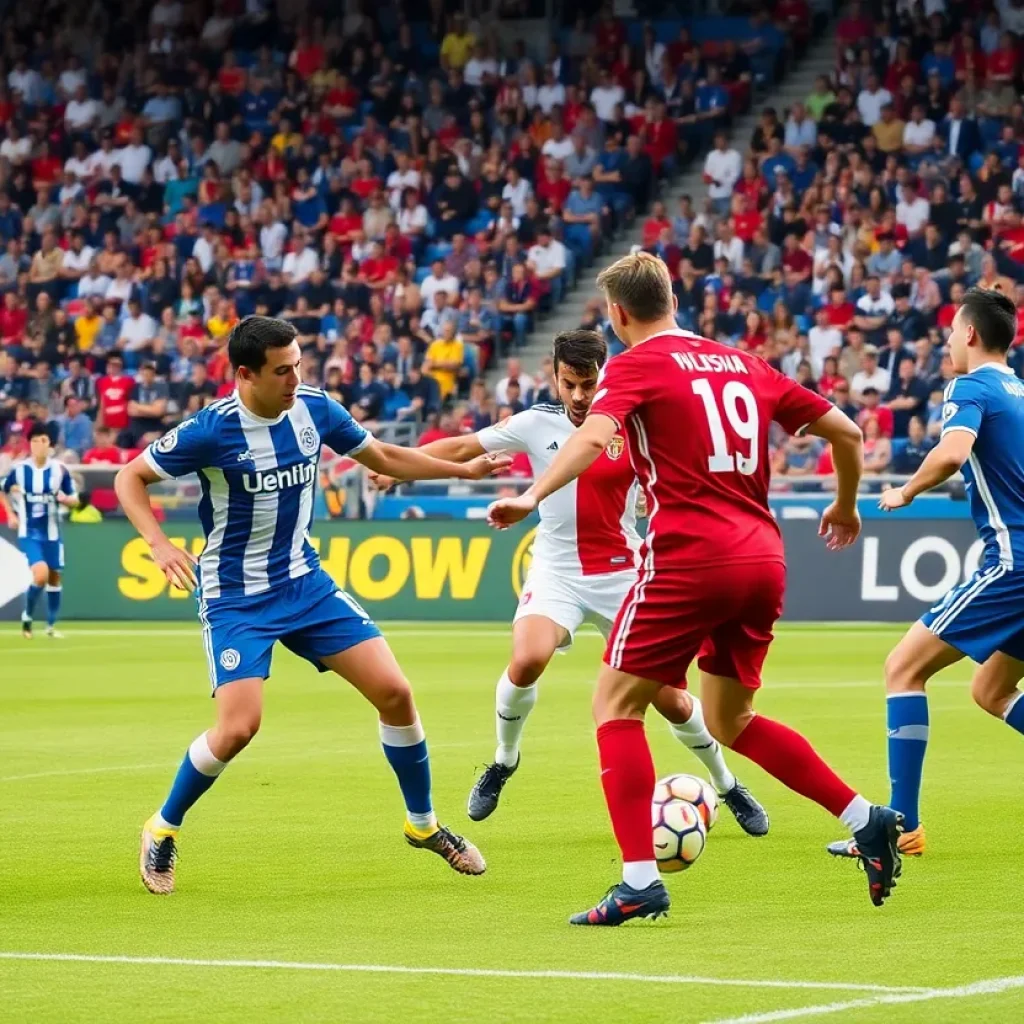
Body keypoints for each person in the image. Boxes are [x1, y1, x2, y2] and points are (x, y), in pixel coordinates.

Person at [487, 252, 903, 925]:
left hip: (690, 555)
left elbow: (594, 438)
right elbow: (848, 432)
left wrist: (530, 495)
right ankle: (866, 817)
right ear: (673, 298)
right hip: (764, 557)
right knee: (732, 719)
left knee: (616, 707)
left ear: (619, 316)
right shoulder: (747, 363)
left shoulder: (634, 364)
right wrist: (847, 505)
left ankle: (639, 883)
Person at [115, 316, 512, 895]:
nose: (295, 379)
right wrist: (158, 542)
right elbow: (131, 477)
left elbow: (383, 457)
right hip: (237, 597)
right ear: (245, 374)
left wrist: (462, 468)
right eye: (282, 370)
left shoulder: (315, 410)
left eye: (299, 364)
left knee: (396, 693)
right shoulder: (211, 429)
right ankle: (161, 826)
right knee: (238, 727)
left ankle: (423, 826)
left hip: (306, 584)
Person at [369, 330, 767, 834]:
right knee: (527, 659)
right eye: (569, 384)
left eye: (589, 384)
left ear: (605, 376)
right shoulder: (537, 423)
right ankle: (503, 761)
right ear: (555, 378)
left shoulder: (632, 421)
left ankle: (728, 784)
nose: (579, 396)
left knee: (669, 696)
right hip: (557, 570)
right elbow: (464, 444)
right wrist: (394, 467)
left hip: (625, 574)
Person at [828, 289, 1024, 863]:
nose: (945, 342)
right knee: (991, 690)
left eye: (951, 332)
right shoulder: (1021, 391)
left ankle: (901, 826)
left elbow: (954, 451)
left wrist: (907, 489)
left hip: (1012, 563)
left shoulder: (971, 386)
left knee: (902, 668)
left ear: (968, 334)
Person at [0, 423, 77, 637]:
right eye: (34, 441)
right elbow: (2, 488)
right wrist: (11, 514)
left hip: (53, 533)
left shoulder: (59, 470)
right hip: (29, 533)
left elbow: (74, 499)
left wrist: (65, 499)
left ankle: (51, 626)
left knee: (54, 578)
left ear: (49, 444)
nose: (38, 445)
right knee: (40, 574)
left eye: (42, 440)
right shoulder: (20, 469)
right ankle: (27, 616)